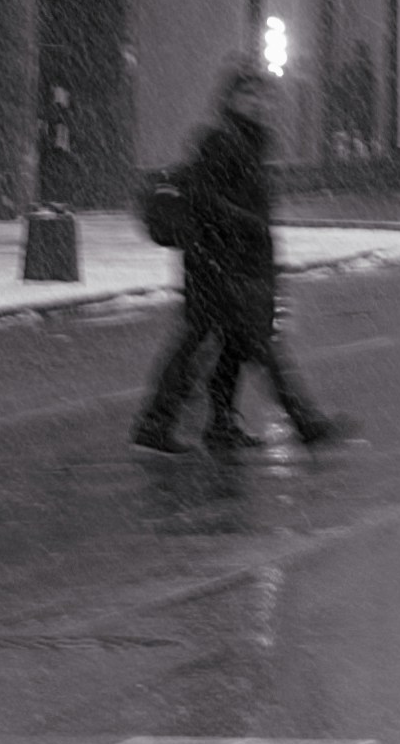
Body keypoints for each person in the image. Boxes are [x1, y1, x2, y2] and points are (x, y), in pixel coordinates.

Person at [131, 64, 348, 456]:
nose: (259, 103)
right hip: (217, 262)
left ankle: (211, 424)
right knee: (254, 346)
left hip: (236, 261)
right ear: (230, 100)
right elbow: (206, 201)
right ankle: (304, 423)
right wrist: (247, 225)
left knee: (223, 345)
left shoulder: (251, 143)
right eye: (249, 95)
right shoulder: (220, 142)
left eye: (264, 96)